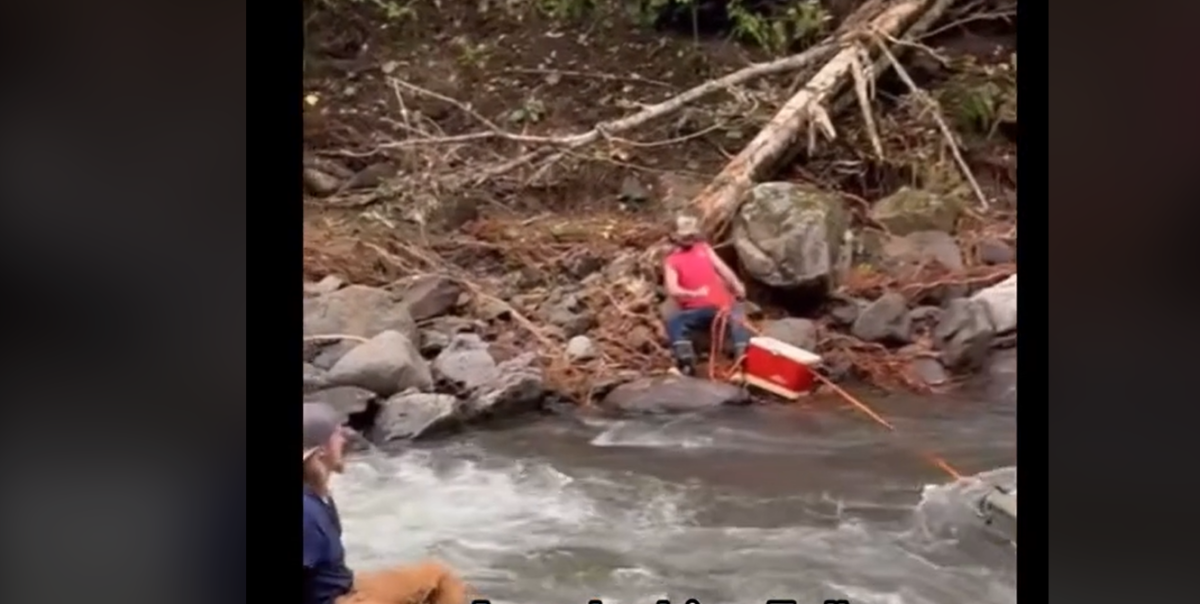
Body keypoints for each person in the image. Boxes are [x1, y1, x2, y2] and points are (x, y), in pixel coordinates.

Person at [303, 402, 470, 604]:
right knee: (442, 581)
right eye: (337, 434)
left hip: (343, 587)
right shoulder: (306, 512)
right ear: (321, 451)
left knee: (434, 576)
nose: (345, 439)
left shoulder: (318, 494)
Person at [662, 214, 751, 376]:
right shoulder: (672, 260)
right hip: (698, 310)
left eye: (692, 234)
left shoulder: (703, 248)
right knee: (675, 322)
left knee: (739, 319)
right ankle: (686, 362)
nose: (690, 238)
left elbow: (723, 269)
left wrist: (737, 286)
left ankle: (741, 362)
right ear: (674, 236)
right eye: (685, 235)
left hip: (723, 305)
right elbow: (673, 289)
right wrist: (693, 293)